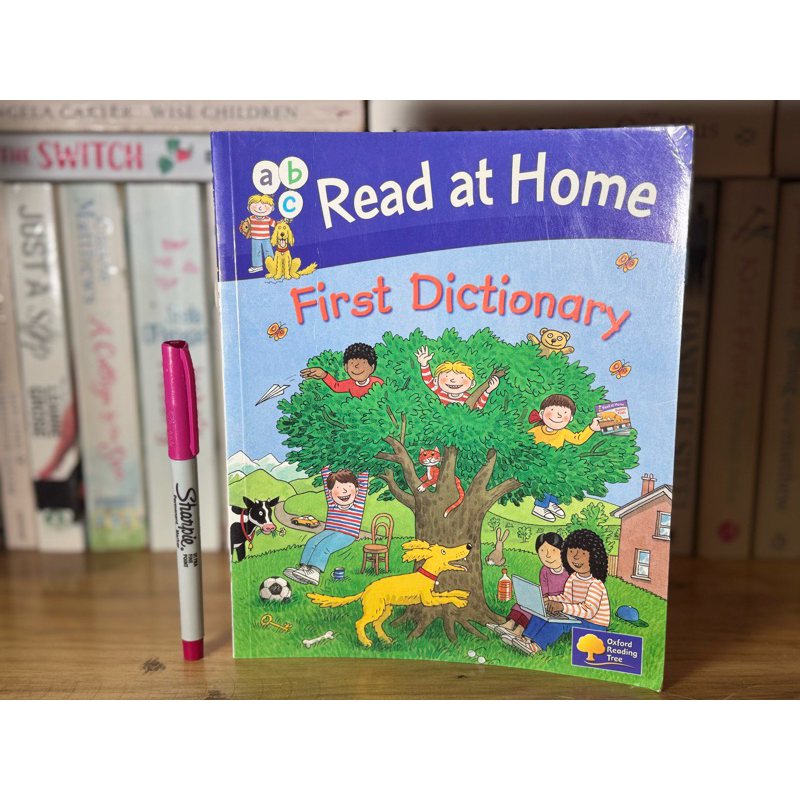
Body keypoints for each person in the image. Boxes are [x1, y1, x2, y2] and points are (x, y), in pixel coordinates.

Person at [503, 528, 610, 656]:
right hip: (575, 616)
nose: (575, 557)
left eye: (582, 554)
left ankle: (536, 646)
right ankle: (525, 638)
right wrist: (549, 600)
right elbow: (566, 597)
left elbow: (588, 611)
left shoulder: (596, 584)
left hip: (593, 625)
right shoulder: (573, 577)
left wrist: (562, 607)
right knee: (543, 612)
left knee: (558, 622)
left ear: (595, 556)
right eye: (571, 552)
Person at [283, 465, 368, 586]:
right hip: (330, 530)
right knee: (311, 542)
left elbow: (363, 478)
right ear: (330, 492)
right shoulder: (332, 502)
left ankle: (314, 572)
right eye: (338, 488)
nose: (344, 491)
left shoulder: (358, 502)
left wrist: (361, 462)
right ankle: (303, 569)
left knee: (324, 546)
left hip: (348, 533)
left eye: (348, 487)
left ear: (357, 490)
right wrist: (324, 462)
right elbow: (325, 474)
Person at [528, 394, 601, 521]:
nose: (558, 415)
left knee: (560, 481)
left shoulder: (563, 432)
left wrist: (591, 428)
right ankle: (539, 506)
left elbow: (578, 439)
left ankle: (551, 503)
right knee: (545, 483)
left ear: (570, 418)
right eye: (553, 410)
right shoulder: (535, 431)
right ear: (542, 413)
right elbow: (523, 442)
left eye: (564, 413)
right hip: (539, 465)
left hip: (556, 464)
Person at [486, 531, 567, 638]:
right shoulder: (544, 570)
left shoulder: (568, 572)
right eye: (542, 551)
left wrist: (550, 600)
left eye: (553, 550)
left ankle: (519, 631)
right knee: (526, 601)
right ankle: (510, 624)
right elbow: (544, 591)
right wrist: (541, 598)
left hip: (559, 605)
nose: (548, 556)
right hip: (546, 601)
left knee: (534, 607)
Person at [414, 345, 499, 408]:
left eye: (461, 378)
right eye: (446, 377)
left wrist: (488, 390)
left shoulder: (468, 398)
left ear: (472, 384)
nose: (453, 380)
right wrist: (424, 364)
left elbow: (478, 407)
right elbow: (428, 381)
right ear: (436, 380)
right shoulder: (441, 392)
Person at [300, 343, 383, 398]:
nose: (356, 367)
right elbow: (336, 386)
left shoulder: (378, 382)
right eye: (352, 363)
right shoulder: (350, 384)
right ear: (346, 367)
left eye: (363, 363)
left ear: (372, 368)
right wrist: (323, 375)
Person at [239, 194, 277, 273]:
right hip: (255, 238)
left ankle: (272, 264)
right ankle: (257, 266)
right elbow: (243, 226)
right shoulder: (250, 218)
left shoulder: (268, 219)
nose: (260, 208)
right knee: (256, 252)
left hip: (266, 238)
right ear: (248, 207)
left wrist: (283, 222)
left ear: (272, 208)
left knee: (268, 251)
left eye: (265, 206)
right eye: (256, 205)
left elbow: (275, 225)